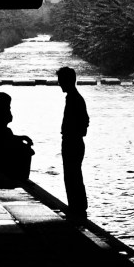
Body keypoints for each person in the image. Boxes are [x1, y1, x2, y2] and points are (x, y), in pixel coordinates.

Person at [56, 66, 89, 221]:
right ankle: (78, 208)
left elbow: (84, 122)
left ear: (67, 81)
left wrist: (73, 133)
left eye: (61, 80)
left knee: (72, 176)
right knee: (73, 175)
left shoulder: (74, 98)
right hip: (74, 141)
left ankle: (77, 208)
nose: (59, 84)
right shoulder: (74, 97)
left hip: (72, 142)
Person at [0, 91, 34, 180]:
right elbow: (0, 137)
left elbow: (4, 136)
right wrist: (18, 140)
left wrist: (20, 138)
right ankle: (21, 177)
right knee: (25, 151)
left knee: (25, 149)